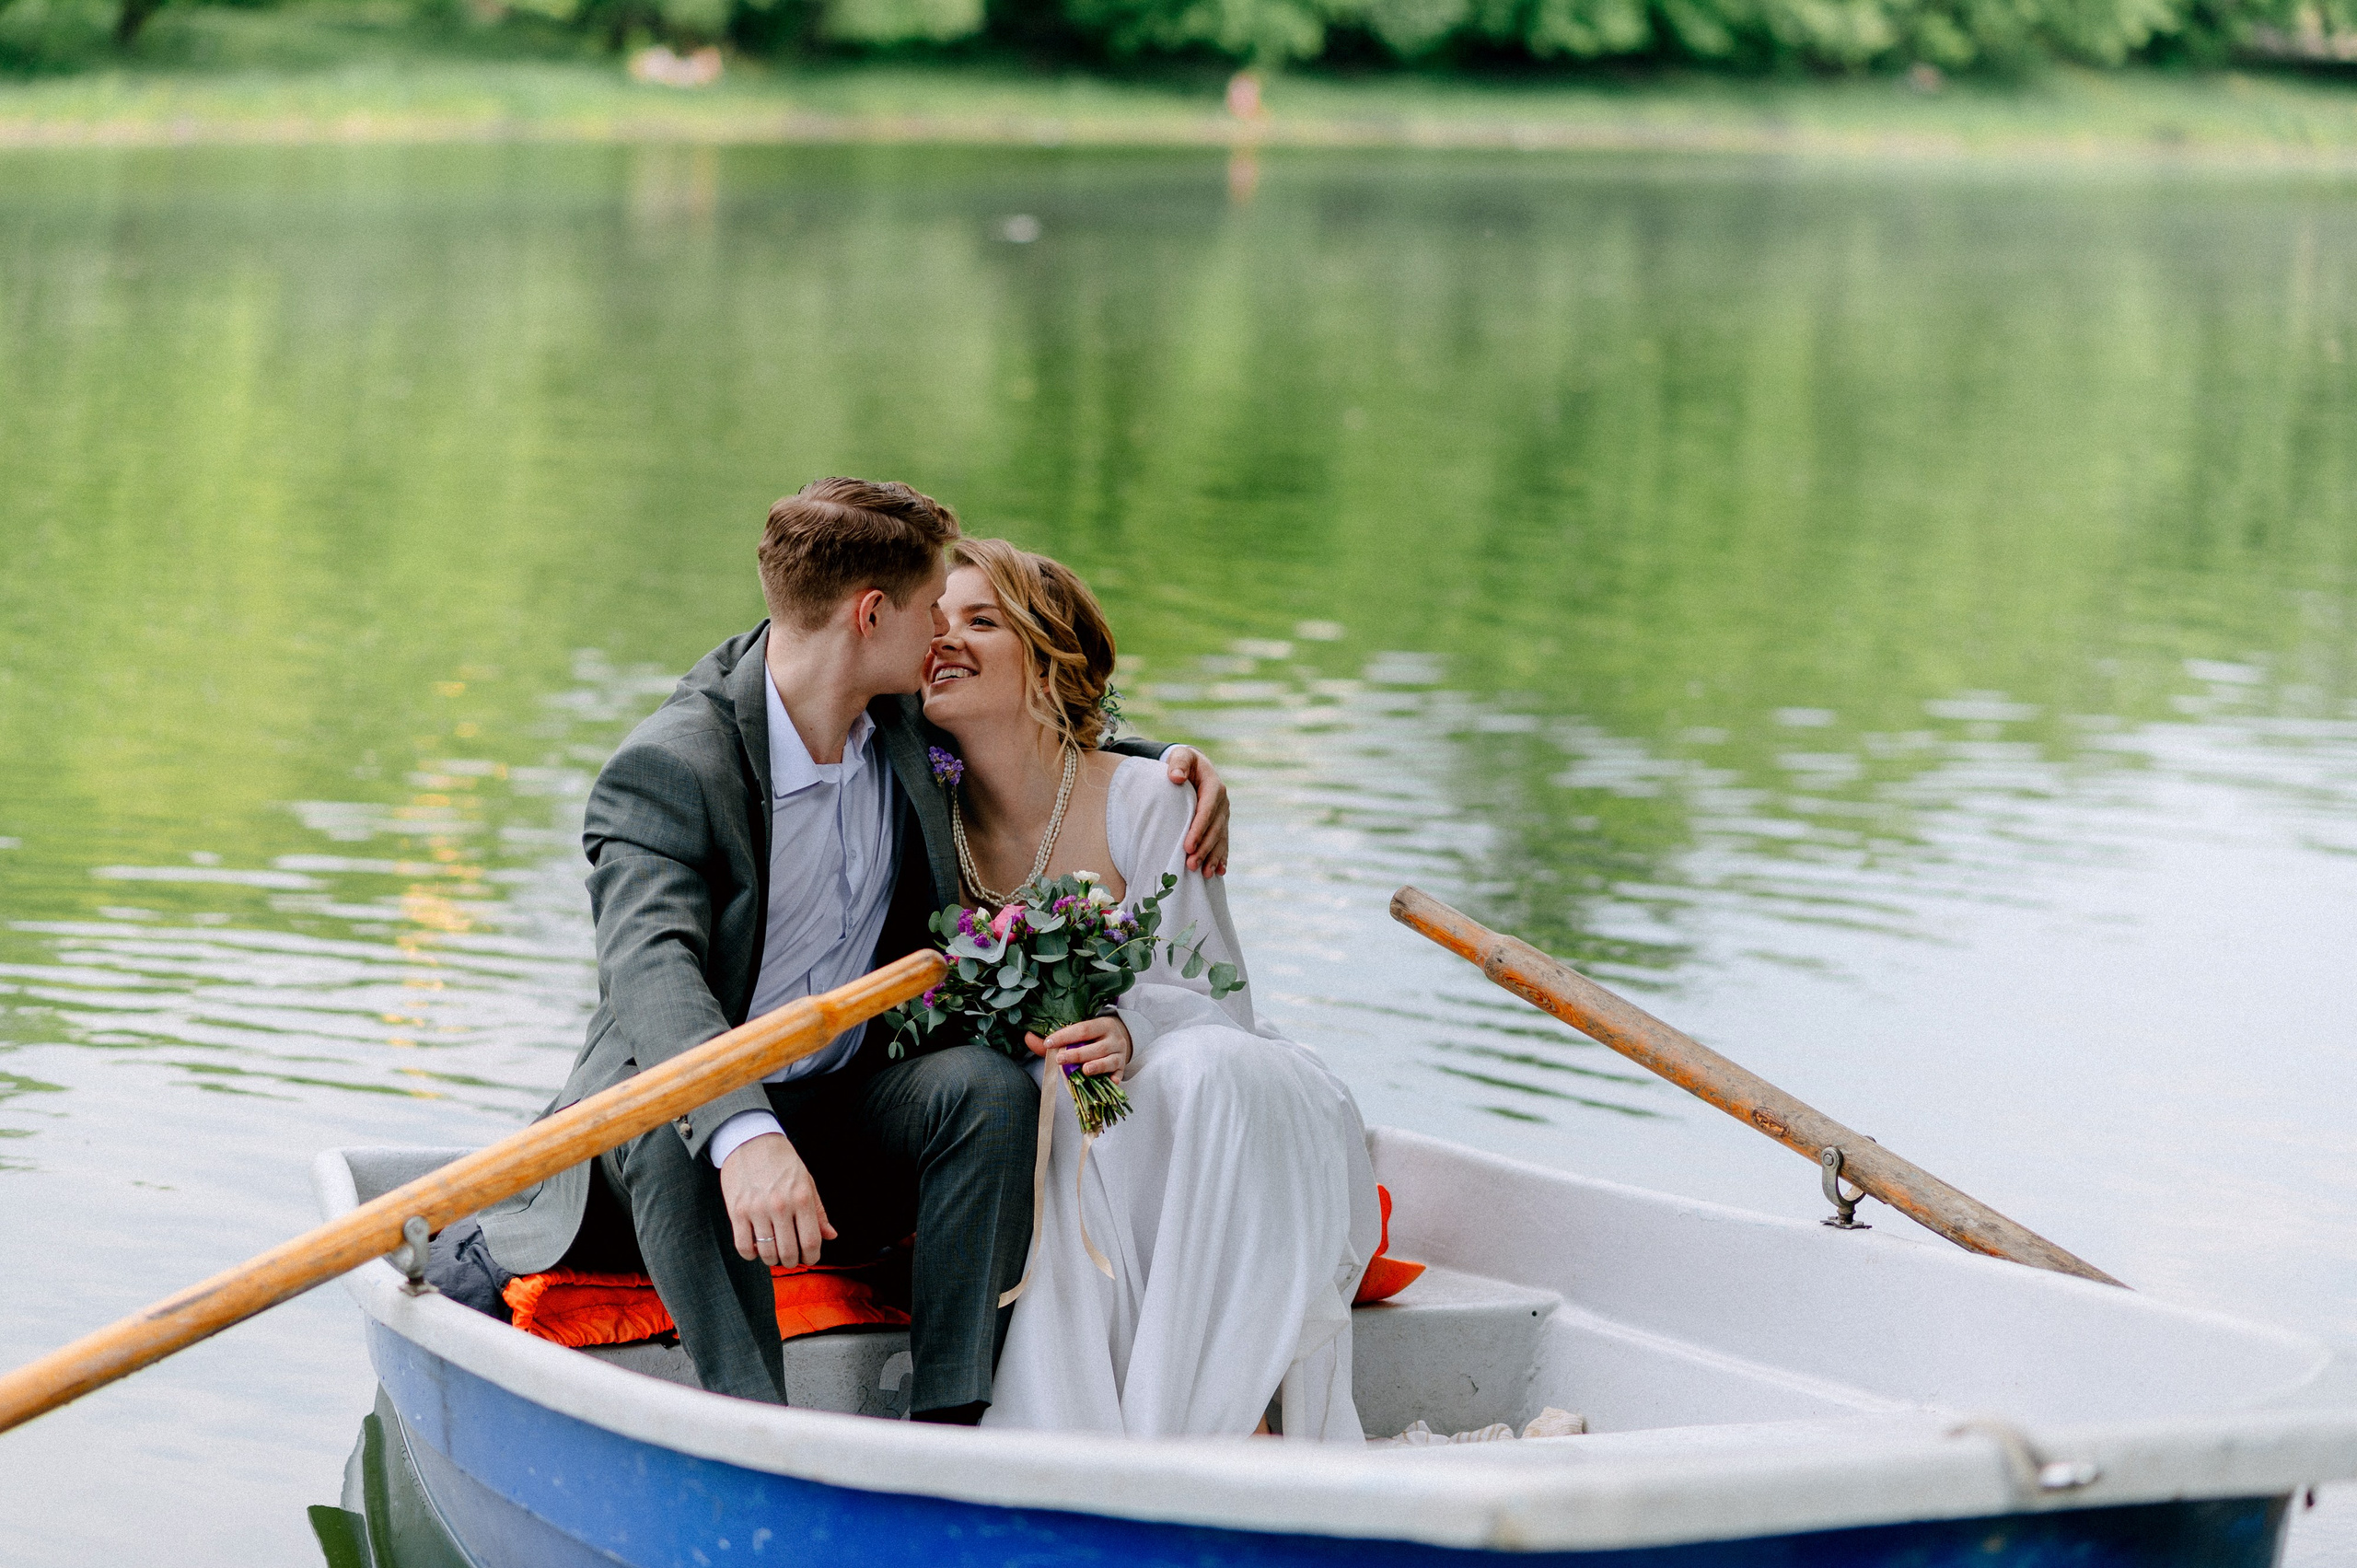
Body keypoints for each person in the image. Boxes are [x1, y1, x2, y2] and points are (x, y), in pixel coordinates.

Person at [468, 480, 1231, 1423]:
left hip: (846, 1107)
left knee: (984, 1092)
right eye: (930, 616)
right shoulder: (672, 767)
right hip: (667, 1118)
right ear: (872, 615)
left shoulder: (905, 721)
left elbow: (1036, 730)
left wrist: (1170, 768)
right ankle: (757, 1432)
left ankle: (955, 1423)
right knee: (679, 1136)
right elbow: (650, 974)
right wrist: (745, 1137)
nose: (943, 643)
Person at [922, 539, 1380, 1441]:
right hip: (1040, 1085)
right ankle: (1087, 1428)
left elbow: (1217, 997)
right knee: (1058, 1099)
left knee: (1177, 1075)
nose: (945, 640)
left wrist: (1130, 1027)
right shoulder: (915, 799)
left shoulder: (1149, 797)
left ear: (1049, 659)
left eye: (981, 620)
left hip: (1194, 1065)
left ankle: (1211, 1410)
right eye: (934, 623)